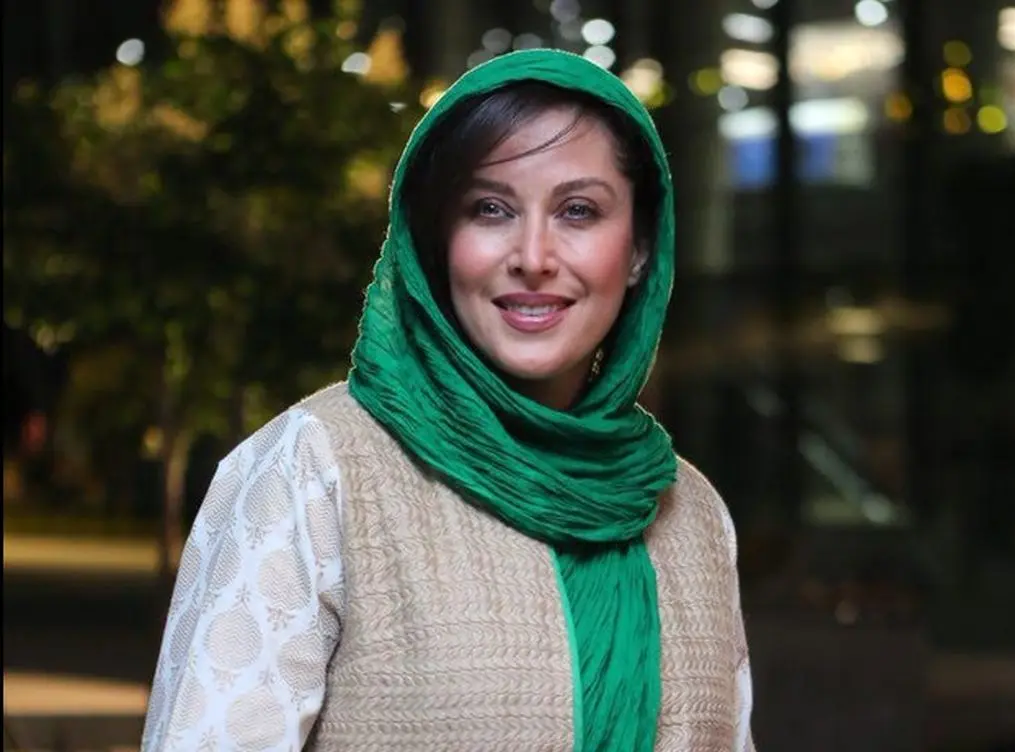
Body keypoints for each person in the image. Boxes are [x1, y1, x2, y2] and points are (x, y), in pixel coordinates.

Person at [141, 49, 755, 751]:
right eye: (490, 209)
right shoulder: (315, 472)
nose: (533, 256)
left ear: (640, 248)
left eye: (578, 211)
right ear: (436, 239)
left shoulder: (690, 513)